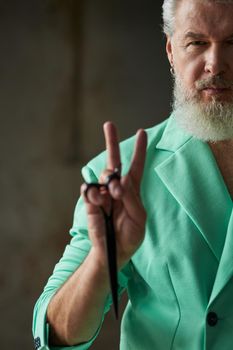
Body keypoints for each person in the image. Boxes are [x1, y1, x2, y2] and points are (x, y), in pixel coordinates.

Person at [32, 0, 233, 349]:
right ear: (172, 51)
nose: (215, 63)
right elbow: (57, 334)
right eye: (197, 42)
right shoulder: (116, 175)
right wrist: (104, 259)